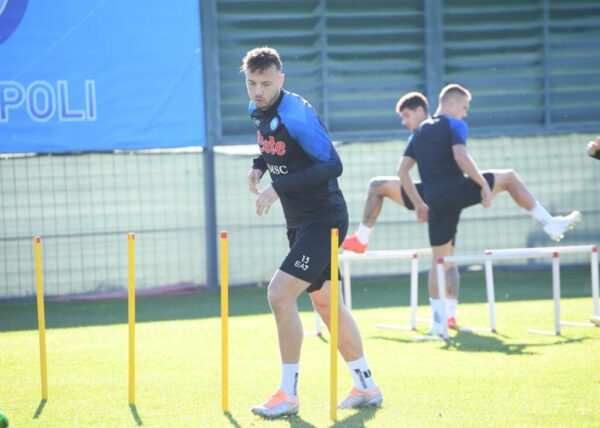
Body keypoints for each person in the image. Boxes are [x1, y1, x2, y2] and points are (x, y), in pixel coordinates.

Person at [241, 47, 382, 419]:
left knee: (278, 295)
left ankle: (288, 393)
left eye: (266, 84)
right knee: (326, 305)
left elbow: (332, 164)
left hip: (325, 218)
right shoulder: (259, 110)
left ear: (281, 80)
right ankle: (366, 386)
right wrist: (258, 167)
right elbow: (275, 150)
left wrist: (278, 188)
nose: (258, 91)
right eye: (252, 83)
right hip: (301, 222)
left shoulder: (296, 112)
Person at [398, 84, 582, 335]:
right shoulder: (454, 124)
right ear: (452, 104)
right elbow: (461, 156)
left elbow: (402, 172)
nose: (464, 113)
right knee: (508, 178)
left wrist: (419, 203)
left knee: (439, 261)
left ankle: (438, 324)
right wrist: (483, 185)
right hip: (458, 189)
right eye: (464, 107)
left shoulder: (417, 133)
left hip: (435, 200)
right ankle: (549, 222)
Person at [342, 92, 429, 254]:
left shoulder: (431, 130)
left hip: (442, 191)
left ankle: (362, 238)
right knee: (377, 186)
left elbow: (402, 170)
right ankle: (361, 238)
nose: (404, 122)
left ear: (419, 110)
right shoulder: (417, 135)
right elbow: (402, 170)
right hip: (431, 192)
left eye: (406, 116)